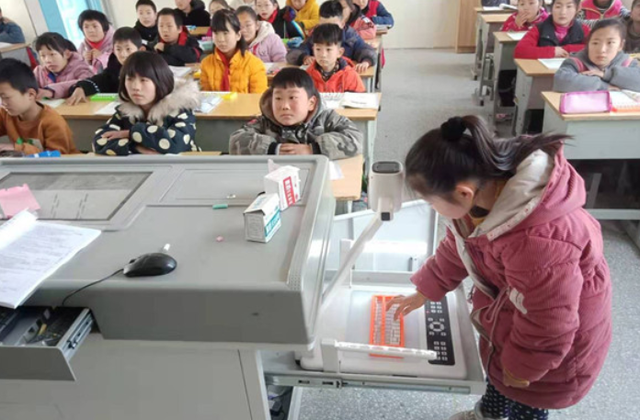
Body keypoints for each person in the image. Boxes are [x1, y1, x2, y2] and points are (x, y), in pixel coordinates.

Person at [391, 115, 611, 420]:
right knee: (499, 377)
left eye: (431, 202)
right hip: (513, 314)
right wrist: (427, 289)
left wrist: (523, 366)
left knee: (526, 397)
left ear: (463, 193)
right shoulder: (484, 193)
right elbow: (460, 247)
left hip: (551, 347)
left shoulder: (539, 244)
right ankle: (489, 414)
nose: (433, 209)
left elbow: (549, 320)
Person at [230, 67, 362, 159]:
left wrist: (313, 149)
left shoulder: (326, 118)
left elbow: (356, 138)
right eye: (278, 98)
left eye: (292, 98)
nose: (284, 106)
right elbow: (235, 140)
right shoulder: (265, 122)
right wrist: (272, 148)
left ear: (311, 103)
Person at [92, 51, 199, 156]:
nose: (135, 87)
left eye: (143, 80)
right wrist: (136, 148)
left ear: (160, 81)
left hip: (182, 166)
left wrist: (130, 133)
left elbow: (176, 144)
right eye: (130, 79)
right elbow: (99, 142)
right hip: (139, 166)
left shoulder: (180, 109)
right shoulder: (125, 112)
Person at [0, 59, 77, 155]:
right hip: (24, 163)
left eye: (6, 97)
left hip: (62, 163)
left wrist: (16, 148)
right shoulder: (5, 113)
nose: (2, 103)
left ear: (31, 94)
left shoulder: (52, 122)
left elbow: (56, 158)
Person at [287, 1, 377, 74]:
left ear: (342, 24)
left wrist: (366, 62)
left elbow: (366, 50)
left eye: (333, 26)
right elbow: (292, 54)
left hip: (345, 78)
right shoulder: (316, 35)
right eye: (324, 25)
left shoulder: (350, 36)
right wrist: (304, 57)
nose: (328, 30)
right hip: (320, 80)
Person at [554, 18, 640, 92]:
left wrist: (607, 74)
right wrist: (603, 86)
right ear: (588, 43)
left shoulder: (627, 62)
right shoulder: (577, 62)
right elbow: (560, 80)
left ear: (620, 45)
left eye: (610, 43)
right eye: (595, 43)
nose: (601, 50)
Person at [67, 28, 143, 105]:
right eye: (118, 49)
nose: (123, 54)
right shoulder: (114, 68)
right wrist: (81, 87)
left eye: (128, 49)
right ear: (113, 51)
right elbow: (100, 80)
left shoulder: (147, 69)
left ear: (140, 50)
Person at [200, 9, 267, 93]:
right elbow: (206, 97)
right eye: (216, 33)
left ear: (238, 35)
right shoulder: (206, 64)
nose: (221, 39)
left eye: (225, 33)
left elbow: (258, 99)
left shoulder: (254, 64)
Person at [514, 0, 590, 59]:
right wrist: (553, 51)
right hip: (543, 73)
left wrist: (565, 49)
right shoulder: (539, 29)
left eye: (569, 6)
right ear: (551, 8)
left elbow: (593, 49)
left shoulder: (583, 29)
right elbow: (519, 51)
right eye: (558, 7)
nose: (563, 12)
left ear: (577, 9)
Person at [33, 32, 94, 100]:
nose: (47, 60)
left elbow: (86, 83)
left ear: (66, 54)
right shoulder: (39, 72)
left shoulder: (80, 67)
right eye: (43, 56)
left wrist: (51, 91)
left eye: (52, 54)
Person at [306, 23, 365, 92]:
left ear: (339, 52)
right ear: (313, 50)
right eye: (318, 49)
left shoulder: (350, 76)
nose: (323, 55)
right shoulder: (308, 75)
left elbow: (358, 98)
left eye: (328, 49)